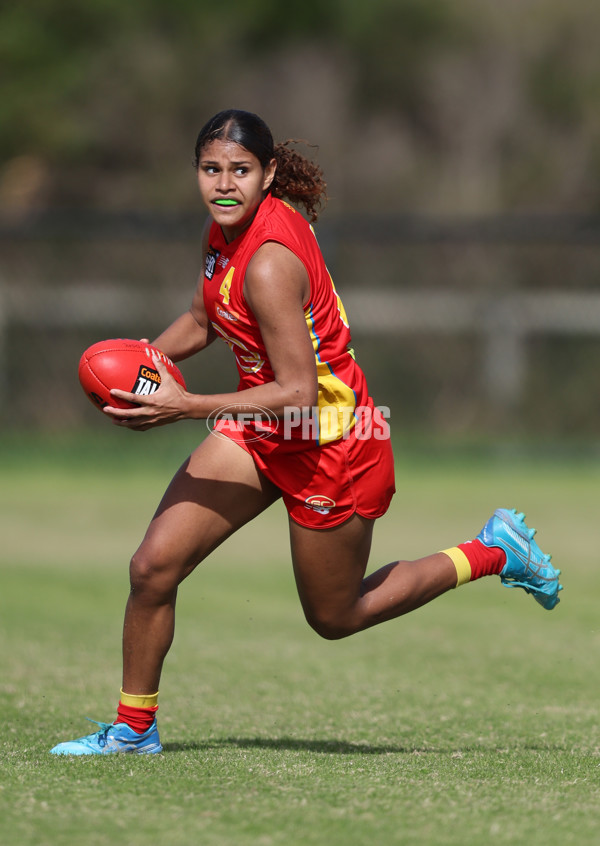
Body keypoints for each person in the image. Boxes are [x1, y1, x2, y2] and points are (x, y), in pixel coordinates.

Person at [50, 109, 562, 756]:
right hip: (264, 430)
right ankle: (133, 730)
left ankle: (493, 551)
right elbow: (201, 317)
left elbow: (297, 392)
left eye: (240, 170)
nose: (224, 184)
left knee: (335, 616)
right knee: (153, 567)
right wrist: (144, 365)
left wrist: (183, 406)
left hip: (332, 444)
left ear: (268, 175)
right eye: (212, 170)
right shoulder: (221, 235)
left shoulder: (267, 264)